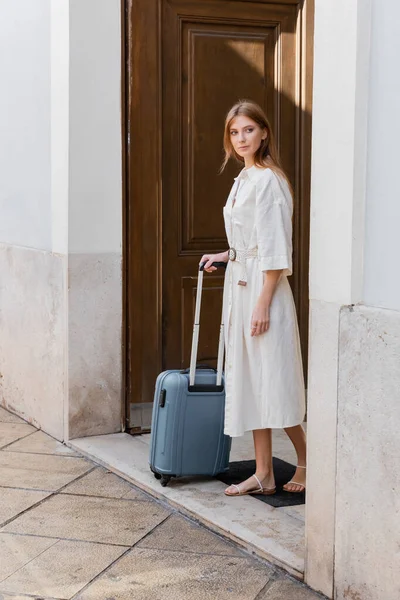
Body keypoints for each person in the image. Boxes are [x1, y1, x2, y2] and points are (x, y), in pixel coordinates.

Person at [200, 100, 306, 496]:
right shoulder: (243, 178)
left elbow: (276, 248)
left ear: (263, 133)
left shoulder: (268, 181)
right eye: (234, 132)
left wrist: (263, 302)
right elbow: (250, 241)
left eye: (248, 130)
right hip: (242, 289)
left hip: (265, 294)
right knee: (252, 381)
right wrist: (224, 255)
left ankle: (306, 461)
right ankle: (264, 472)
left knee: (273, 381)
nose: (241, 138)